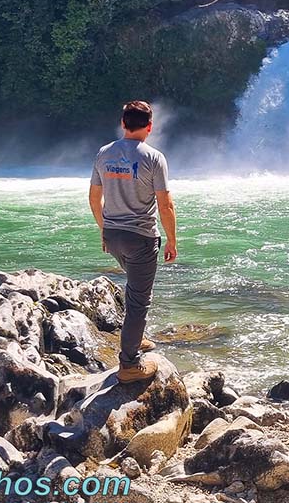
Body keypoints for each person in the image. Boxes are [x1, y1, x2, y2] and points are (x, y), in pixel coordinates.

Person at [89, 101, 177, 382]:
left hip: (113, 236)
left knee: (134, 289)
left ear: (123, 124)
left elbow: (93, 198)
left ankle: (135, 338)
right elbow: (165, 205)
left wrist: (104, 229)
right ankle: (129, 364)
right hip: (141, 238)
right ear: (149, 127)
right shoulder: (154, 157)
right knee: (139, 300)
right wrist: (172, 241)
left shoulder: (104, 153)